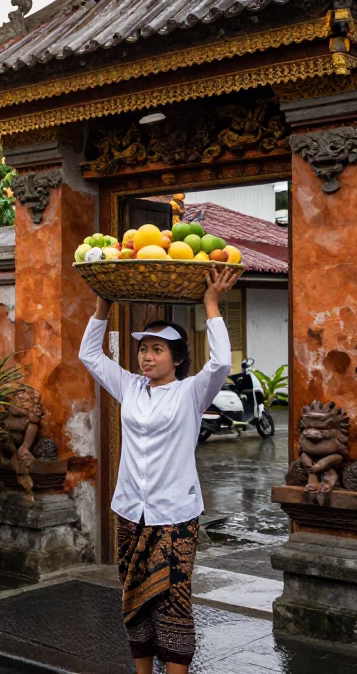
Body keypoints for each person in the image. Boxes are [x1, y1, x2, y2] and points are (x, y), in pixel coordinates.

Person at [78, 266, 241, 674]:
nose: (147, 357)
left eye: (157, 349)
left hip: (175, 516)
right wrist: (102, 306)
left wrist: (211, 304)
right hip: (130, 511)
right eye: (143, 349)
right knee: (133, 597)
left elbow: (221, 361)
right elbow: (90, 356)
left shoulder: (191, 391)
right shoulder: (130, 387)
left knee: (173, 601)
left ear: (178, 358)